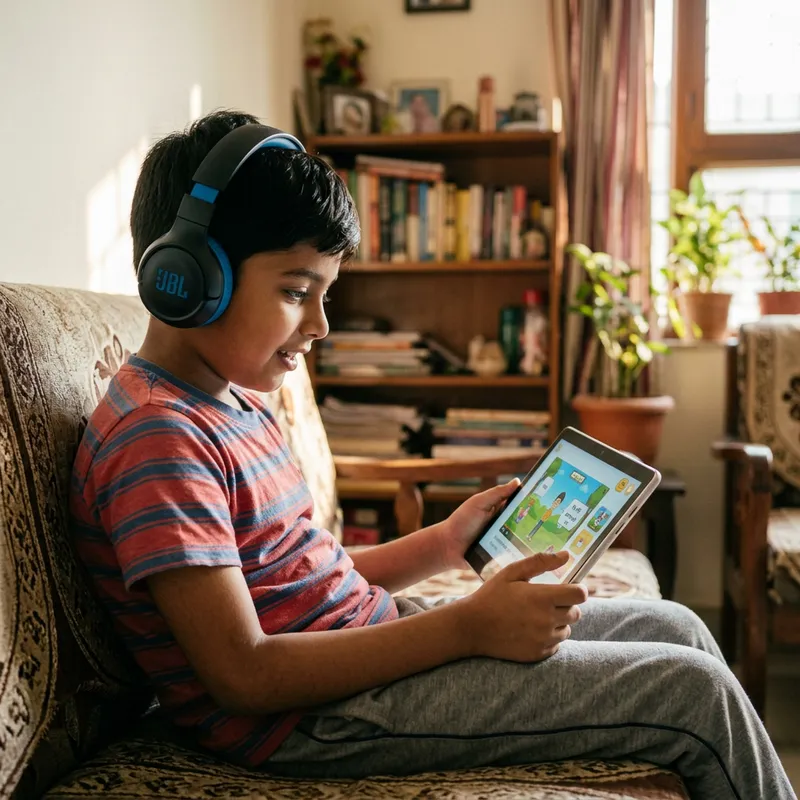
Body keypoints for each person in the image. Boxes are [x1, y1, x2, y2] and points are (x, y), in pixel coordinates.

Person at [70, 110, 795, 800]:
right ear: (187, 280)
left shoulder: (228, 401)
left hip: (360, 653)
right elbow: (244, 675)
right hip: (314, 718)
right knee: (688, 692)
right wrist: (464, 627)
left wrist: (446, 545)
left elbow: (298, 576)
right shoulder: (159, 439)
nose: (320, 325)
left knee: (676, 626)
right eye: (297, 292)